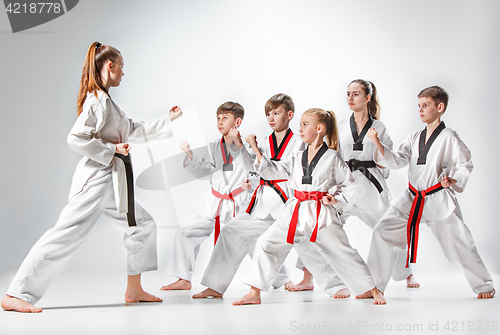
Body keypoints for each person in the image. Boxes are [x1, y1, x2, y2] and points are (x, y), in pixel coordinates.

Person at [1, 42, 182, 313]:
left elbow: (131, 129)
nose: (124, 73)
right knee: (65, 235)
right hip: (96, 180)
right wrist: (112, 150)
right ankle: (16, 293)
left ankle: (134, 289)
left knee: (142, 225)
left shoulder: (107, 102)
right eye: (122, 67)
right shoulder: (97, 100)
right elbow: (75, 138)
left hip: (112, 180)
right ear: (110, 66)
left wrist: (167, 119)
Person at [232, 108, 386, 306]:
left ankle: (372, 289)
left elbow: (348, 185)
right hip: (295, 211)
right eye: (300, 125)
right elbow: (272, 171)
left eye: (305, 125)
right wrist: (255, 148)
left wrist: (335, 200)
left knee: (343, 250)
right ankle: (255, 293)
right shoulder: (296, 156)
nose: (300, 129)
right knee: (266, 244)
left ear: (319, 128)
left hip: (321, 213)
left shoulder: (332, 157)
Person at [358, 85, 494, 300]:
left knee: (458, 243)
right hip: (412, 197)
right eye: (419, 106)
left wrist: (453, 179)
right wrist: (377, 143)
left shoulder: (449, 137)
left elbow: (465, 164)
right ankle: (374, 286)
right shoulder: (414, 137)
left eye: (426, 105)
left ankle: (484, 285)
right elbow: (398, 160)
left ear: (440, 107)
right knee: (382, 231)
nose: (420, 110)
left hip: (438, 197)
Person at [291, 80, 418, 298]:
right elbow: (328, 153)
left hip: (370, 188)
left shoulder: (379, 127)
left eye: (356, 94)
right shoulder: (339, 125)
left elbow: (385, 160)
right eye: (348, 94)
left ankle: (405, 273)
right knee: (317, 225)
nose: (350, 98)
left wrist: (377, 144)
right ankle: (307, 277)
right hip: (343, 188)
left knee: (389, 229)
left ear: (367, 98)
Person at [191, 93, 304, 299]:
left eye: (276, 113)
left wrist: (251, 149)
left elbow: (280, 171)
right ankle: (215, 286)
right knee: (231, 232)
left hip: (288, 200)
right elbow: (252, 167)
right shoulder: (264, 141)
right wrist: (244, 150)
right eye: (268, 113)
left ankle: (335, 283)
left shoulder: (298, 141)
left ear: (289, 115)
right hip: (262, 200)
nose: (271, 118)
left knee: (310, 241)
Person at [161, 101, 255, 291]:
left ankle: (282, 279)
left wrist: (239, 145)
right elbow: (206, 172)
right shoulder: (214, 146)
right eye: (218, 118)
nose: (220, 122)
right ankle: (184, 278)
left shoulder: (249, 145)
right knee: (187, 230)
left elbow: (253, 168)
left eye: (225, 118)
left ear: (238, 122)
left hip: (239, 202)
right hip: (216, 200)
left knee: (253, 241)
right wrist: (190, 155)